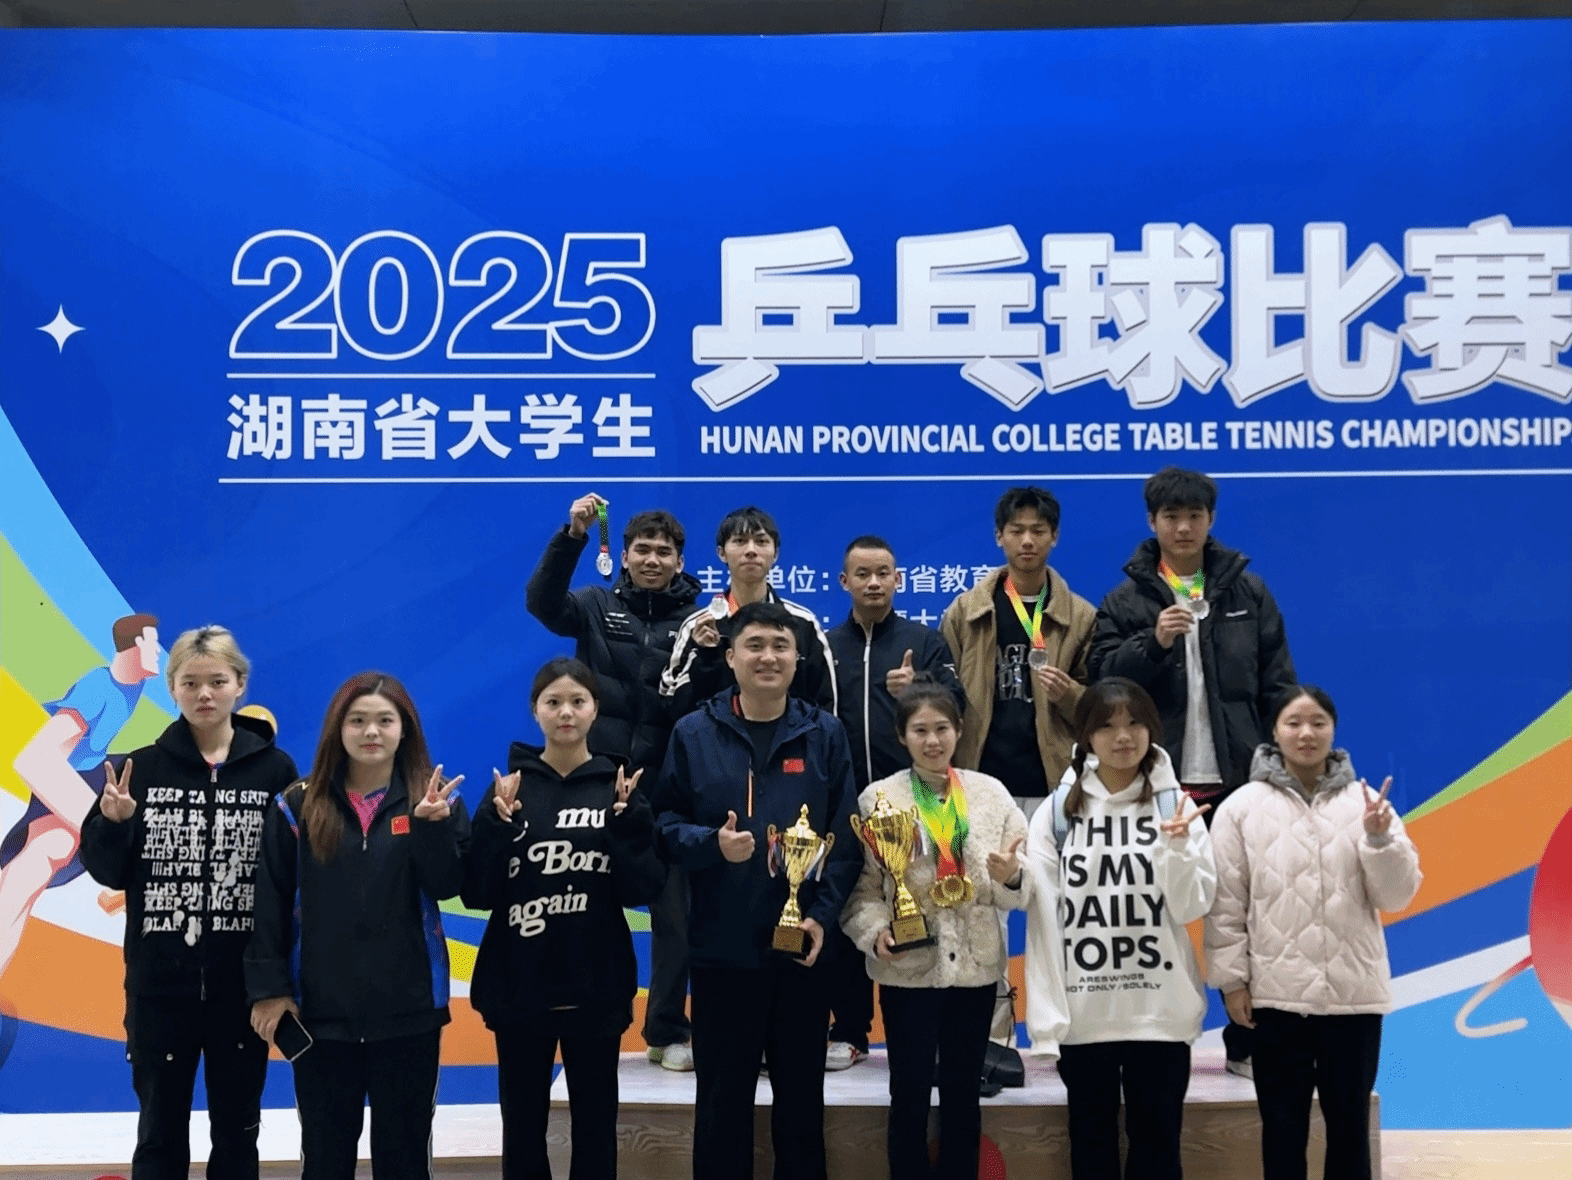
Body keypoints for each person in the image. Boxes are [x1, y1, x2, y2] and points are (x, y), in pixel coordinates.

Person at [1087, 465, 1296, 1074]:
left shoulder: (1247, 593)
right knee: (1150, 912)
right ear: (1152, 522)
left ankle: (1248, 1041)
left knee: (1247, 913)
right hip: (1158, 783)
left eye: (1194, 516)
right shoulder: (1126, 599)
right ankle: (1152, 1041)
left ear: (1211, 520)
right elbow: (1103, 683)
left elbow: (1278, 683)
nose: (1183, 527)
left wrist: (1279, 766)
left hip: (1238, 780)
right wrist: (1151, 642)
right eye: (1171, 516)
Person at [650, 601, 861, 1180]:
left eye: (780, 646)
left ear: (797, 658)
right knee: (721, 1107)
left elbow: (846, 838)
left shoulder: (825, 734)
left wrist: (820, 915)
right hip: (723, 949)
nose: (768, 657)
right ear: (730, 657)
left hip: (802, 951)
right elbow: (663, 824)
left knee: (801, 1107)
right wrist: (709, 844)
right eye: (755, 645)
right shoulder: (694, 732)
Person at [78, 626, 297, 1180]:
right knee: (158, 1133)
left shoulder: (276, 771)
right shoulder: (139, 769)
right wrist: (115, 823)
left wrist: (279, 980)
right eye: (190, 682)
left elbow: (291, 882)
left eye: (217, 681)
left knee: (238, 1133)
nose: (204, 694)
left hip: (243, 989)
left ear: (240, 685)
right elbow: (106, 870)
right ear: (172, 688)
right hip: (159, 989)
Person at [246, 672, 471, 1180]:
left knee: (404, 1161)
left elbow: (449, 885)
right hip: (320, 1018)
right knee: (325, 1160)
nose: (372, 732)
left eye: (385, 721)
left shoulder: (436, 801)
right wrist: (270, 990)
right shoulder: (297, 804)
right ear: (338, 728)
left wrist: (431, 828)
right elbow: (269, 903)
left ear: (405, 729)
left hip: (410, 1015)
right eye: (358, 720)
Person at [463, 659, 667, 1180]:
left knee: (596, 1129)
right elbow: (477, 893)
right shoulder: (508, 789)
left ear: (595, 709)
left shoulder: (618, 789)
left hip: (595, 988)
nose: (566, 712)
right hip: (520, 989)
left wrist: (629, 828)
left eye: (578, 701)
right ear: (535, 712)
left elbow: (644, 890)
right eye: (553, 702)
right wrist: (493, 826)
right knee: (522, 1130)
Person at [1205, 686, 1420, 1180]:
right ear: (1274, 731)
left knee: (1349, 1130)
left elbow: (1397, 896)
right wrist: (1232, 982)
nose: (1306, 733)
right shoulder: (1241, 808)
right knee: (1282, 1131)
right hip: (1276, 1001)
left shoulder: (1367, 803)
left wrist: (1379, 839)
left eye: (1318, 722)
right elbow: (1225, 905)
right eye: (1294, 722)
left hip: (1353, 1000)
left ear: (1333, 730)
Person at [525, 492, 701, 1072]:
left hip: (667, 793)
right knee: (580, 908)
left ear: (680, 561)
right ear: (623, 556)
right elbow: (541, 602)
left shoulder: (699, 623)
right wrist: (572, 535)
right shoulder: (595, 605)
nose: (653, 560)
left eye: (664, 552)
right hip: (594, 786)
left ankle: (666, 1031)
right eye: (642, 550)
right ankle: (576, 1014)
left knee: (675, 918)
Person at [1024, 678, 1215, 1180]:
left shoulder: (1177, 808)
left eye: (1134, 723)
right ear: (1086, 735)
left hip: (1160, 1013)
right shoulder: (1057, 812)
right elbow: (1039, 910)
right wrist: (1010, 876)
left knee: (1158, 1147)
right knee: (1092, 1147)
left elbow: (1192, 905)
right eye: (1106, 726)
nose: (1123, 736)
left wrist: (1177, 848)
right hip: (1085, 1014)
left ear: (1153, 728)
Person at [840, 679, 1027, 1180]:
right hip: (908, 968)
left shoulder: (990, 795)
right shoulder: (879, 798)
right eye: (920, 730)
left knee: (964, 1094)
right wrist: (875, 932)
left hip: (975, 970)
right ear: (902, 736)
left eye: (942, 728)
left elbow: (1024, 882)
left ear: (959, 731)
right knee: (908, 1094)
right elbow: (861, 890)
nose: (932, 740)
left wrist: (1012, 876)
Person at [940, 485, 1095, 1040]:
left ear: (1054, 537)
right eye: (1017, 531)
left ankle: (1067, 1032)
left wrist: (1071, 695)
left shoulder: (1080, 616)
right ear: (999, 537)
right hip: (983, 787)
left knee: (1062, 908)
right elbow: (944, 694)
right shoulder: (966, 611)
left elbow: (1101, 710)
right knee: (984, 915)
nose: (1027, 540)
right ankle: (994, 1039)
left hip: (1056, 785)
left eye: (1038, 531)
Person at [823, 535, 966, 1071]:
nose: (874, 582)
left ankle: (929, 1030)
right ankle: (850, 1029)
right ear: (845, 582)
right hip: (846, 803)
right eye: (862, 574)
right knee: (851, 908)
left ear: (899, 579)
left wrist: (918, 685)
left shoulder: (923, 641)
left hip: (912, 800)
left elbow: (957, 707)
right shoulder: (826, 646)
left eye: (883, 572)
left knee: (919, 905)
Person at [1, 613, 161, 999]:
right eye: (152, 643)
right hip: (66, 785)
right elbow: (34, 760)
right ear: (135, 646)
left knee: (29, 875)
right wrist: (97, 825)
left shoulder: (134, 685)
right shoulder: (98, 687)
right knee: (27, 873)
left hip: (89, 778)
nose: (158, 651)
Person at [660, 506, 837, 717]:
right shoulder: (699, 626)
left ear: (775, 554)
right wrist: (702, 657)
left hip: (790, 738)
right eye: (740, 541)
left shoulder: (802, 623)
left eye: (761, 541)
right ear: (721, 553)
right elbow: (669, 702)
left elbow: (827, 705)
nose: (751, 550)